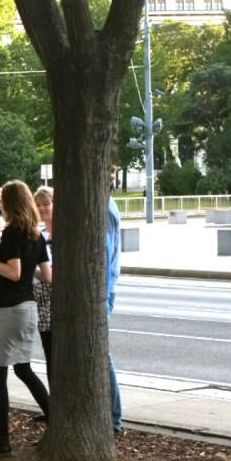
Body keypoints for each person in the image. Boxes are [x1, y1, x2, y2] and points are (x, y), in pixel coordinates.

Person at [0, 180, 52, 456]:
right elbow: (46, 276)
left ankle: (3, 439)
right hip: (29, 308)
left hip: (8, 308)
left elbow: (13, 272)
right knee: (23, 368)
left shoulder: (12, 234)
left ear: (9, 204)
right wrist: (26, 266)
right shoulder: (36, 235)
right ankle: (53, 417)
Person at [32, 186, 54, 412]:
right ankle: (53, 408)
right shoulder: (41, 234)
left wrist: (33, 270)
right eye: (38, 205)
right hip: (42, 302)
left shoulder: (61, 234)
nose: (42, 208)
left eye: (46, 203)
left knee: (58, 360)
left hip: (56, 303)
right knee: (49, 358)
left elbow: (52, 276)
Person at [106, 166, 123, 436]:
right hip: (103, 288)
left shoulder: (104, 209)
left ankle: (115, 419)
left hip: (101, 290)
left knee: (99, 354)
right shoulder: (106, 205)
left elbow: (104, 252)